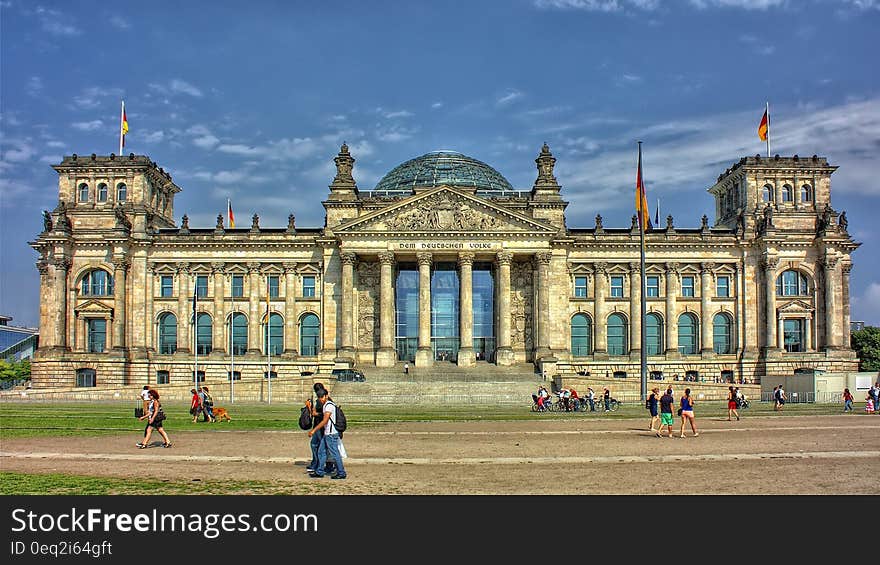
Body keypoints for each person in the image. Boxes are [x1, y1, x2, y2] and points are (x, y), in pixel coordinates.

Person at [308, 388, 347, 479]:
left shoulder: (329, 406)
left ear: (326, 396)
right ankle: (320, 471)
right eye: (319, 397)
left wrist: (314, 430)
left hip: (331, 434)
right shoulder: (326, 405)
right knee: (321, 452)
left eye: (322, 397)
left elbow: (325, 421)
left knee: (334, 453)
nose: (321, 399)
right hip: (327, 433)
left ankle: (341, 473)